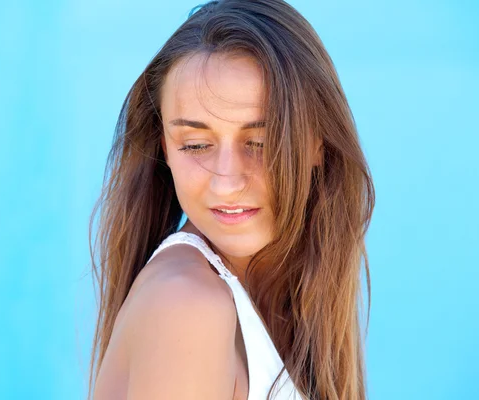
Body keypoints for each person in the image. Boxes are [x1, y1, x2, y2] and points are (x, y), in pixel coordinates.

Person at [87, 0, 375, 399]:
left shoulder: (284, 299)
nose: (226, 183)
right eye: (196, 145)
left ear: (318, 142)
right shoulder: (187, 306)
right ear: (164, 149)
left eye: (259, 142)